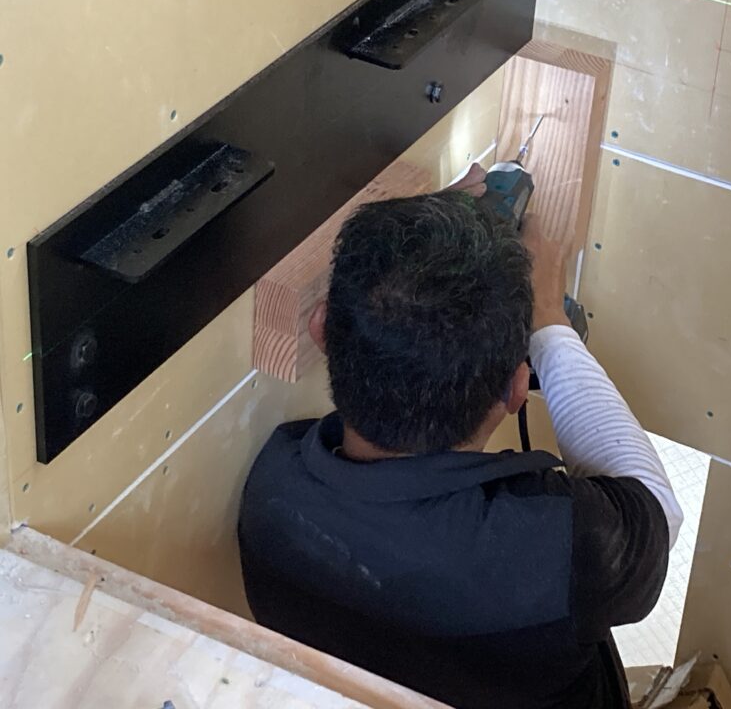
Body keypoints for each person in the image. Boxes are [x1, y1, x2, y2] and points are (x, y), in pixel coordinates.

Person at [238, 165, 683, 709]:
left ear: (321, 329)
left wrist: (412, 255)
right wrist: (547, 319)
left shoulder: (273, 497)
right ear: (516, 388)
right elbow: (657, 510)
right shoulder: (550, 548)